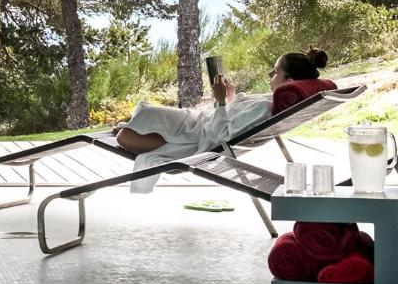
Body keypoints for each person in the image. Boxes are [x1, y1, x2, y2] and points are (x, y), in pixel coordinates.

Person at [112, 48, 329, 193]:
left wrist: (220, 101)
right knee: (148, 114)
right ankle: (136, 128)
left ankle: (133, 130)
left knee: (127, 134)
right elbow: (233, 123)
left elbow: (220, 137)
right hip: (198, 123)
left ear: (288, 81)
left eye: (275, 72)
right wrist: (228, 99)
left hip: (196, 135)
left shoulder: (264, 106)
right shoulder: (268, 100)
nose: (269, 74)